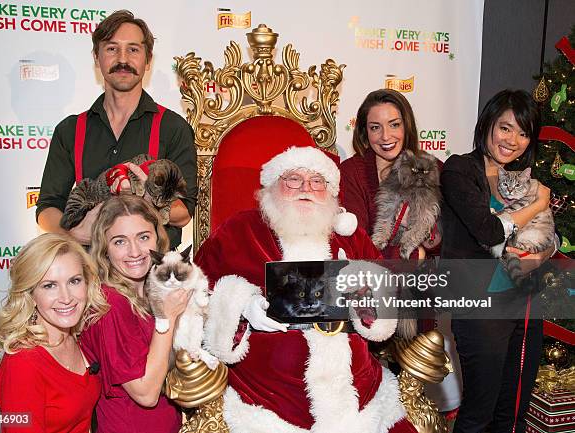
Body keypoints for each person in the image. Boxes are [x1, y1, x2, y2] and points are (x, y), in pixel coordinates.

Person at [195, 146, 417, 433]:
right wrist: (241, 306)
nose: (306, 189)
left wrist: (364, 293)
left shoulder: (350, 236)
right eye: (293, 180)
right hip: (268, 399)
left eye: (317, 182)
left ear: (330, 192)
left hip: (359, 393)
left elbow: (386, 296)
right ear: (273, 186)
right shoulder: (239, 231)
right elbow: (198, 291)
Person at [441, 89, 555, 433]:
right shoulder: (459, 169)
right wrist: (538, 203)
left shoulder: (522, 178)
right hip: (480, 306)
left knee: (514, 412)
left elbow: (552, 235)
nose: (513, 140)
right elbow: (489, 231)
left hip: (523, 304)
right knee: (480, 412)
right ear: (488, 123)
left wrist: (540, 254)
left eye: (523, 133)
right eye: (506, 128)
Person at [36, 9, 197, 248]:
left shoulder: (173, 128)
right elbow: (47, 209)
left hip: (152, 272)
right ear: (96, 57)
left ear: (148, 59)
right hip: (90, 270)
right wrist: (76, 233)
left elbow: (184, 213)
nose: (123, 59)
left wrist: (146, 197)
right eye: (112, 48)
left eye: (133, 49)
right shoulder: (70, 130)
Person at [79, 194, 191, 433]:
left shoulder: (152, 292)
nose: (135, 251)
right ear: (104, 249)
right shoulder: (111, 304)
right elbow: (145, 393)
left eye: (143, 237)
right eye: (119, 241)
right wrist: (168, 318)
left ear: (158, 239)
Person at [0, 233, 109, 432]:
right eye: (49, 285)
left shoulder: (78, 337)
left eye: (74, 281)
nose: (66, 297)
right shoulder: (22, 363)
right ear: (30, 294)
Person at [340, 89, 441, 259]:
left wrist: (428, 238)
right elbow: (357, 245)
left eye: (394, 124)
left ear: (406, 126)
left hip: (424, 282)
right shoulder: (351, 172)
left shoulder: (431, 167)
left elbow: (446, 240)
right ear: (365, 132)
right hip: (372, 279)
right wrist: (415, 254)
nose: (385, 136)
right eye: (375, 128)